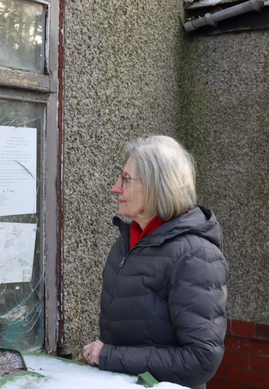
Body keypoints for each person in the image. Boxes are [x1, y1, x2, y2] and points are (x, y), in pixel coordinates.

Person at [83, 136, 228, 389]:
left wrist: (108, 356)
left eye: (126, 179)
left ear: (155, 186)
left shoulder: (196, 256)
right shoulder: (127, 243)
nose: (116, 187)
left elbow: (200, 360)